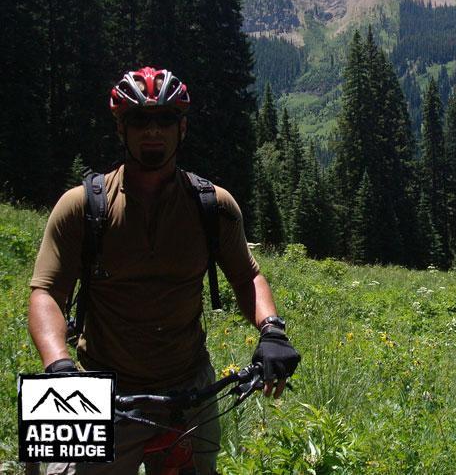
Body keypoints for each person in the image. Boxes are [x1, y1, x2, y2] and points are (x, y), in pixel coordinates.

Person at [28, 67, 301, 474]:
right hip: (99, 387)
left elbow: (247, 277)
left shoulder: (213, 206)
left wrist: (272, 330)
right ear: (122, 129)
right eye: (140, 120)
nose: (152, 131)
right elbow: (46, 293)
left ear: (182, 128)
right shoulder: (81, 207)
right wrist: (59, 367)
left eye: (165, 120)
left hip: (190, 389)